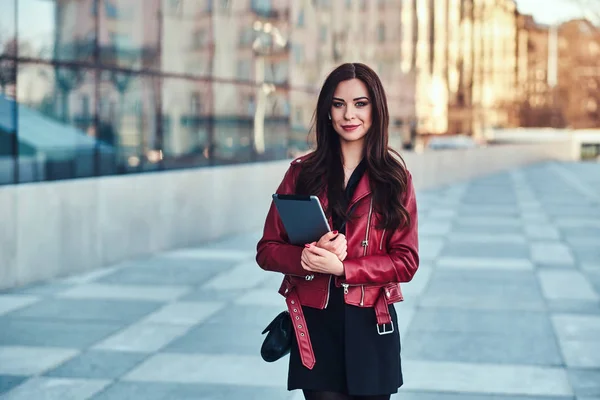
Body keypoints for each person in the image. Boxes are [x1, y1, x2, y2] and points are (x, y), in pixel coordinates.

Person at [256, 63, 419, 400]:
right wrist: (305, 257)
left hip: (373, 324)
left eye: (360, 103)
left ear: (376, 110)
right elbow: (267, 249)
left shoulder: (395, 178)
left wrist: (344, 268)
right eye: (338, 103)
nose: (349, 114)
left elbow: (406, 261)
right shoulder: (301, 173)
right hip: (317, 325)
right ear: (327, 111)